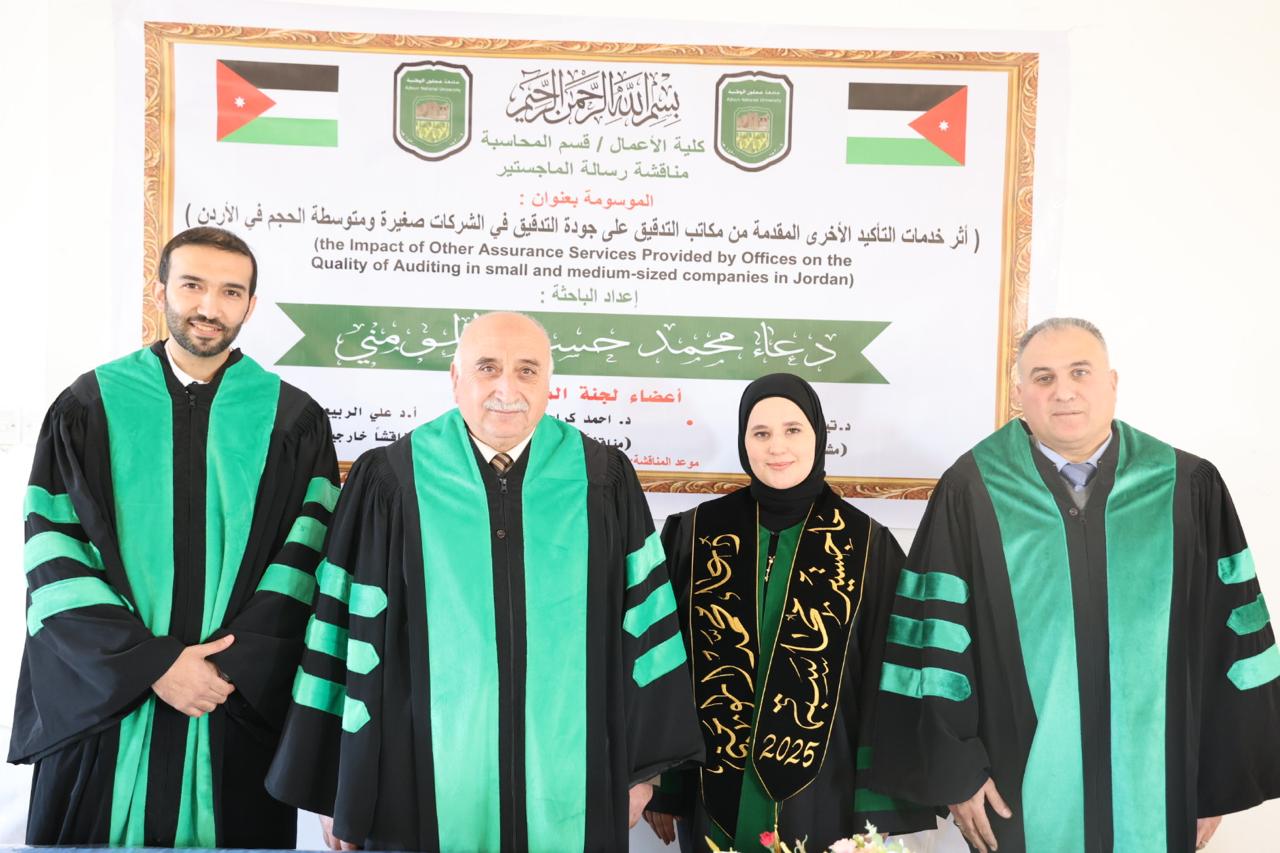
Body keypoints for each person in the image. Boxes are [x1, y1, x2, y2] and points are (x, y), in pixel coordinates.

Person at [265, 311, 704, 852]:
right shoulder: (392, 480)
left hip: (573, 781)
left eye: (526, 371)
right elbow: (341, 630)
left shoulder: (602, 480)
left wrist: (645, 771)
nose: (507, 389)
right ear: (456, 378)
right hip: (416, 781)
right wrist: (337, 785)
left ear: (549, 383)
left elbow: (647, 628)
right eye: (488, 368)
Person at [869, 317, 1280, 853]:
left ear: (1112, 383)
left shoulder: (1185, 486)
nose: (1063, 392)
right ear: (1020, 393)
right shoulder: (972, 490)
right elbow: (934, 641)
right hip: (1018, 790)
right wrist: (957, 770)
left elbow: (1232, 636)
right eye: (1043, 377)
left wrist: (1216, 780)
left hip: (1159, 784)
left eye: (1079, 372)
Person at [9, 226, 340, 847]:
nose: (209, 307)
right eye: (192, 285)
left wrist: (226, 666)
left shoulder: (293, 419)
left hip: (229, 701)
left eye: (230, 292)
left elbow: (307, 557)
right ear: (159, 290)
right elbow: (54, 547)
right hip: (110, 708)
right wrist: (152, 664)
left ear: (250, 306)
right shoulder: (90, 405)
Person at [644, 374, 935, 852]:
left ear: (818, 436)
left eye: (793, 430)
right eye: (760, 433)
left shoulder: (867, 545)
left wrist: (875, 811)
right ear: (744, 443)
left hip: (824, 792)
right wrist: (663, 781)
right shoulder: (694, 536)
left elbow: (888, 683)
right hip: (712, 787)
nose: (776, 447)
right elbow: (663, 666)